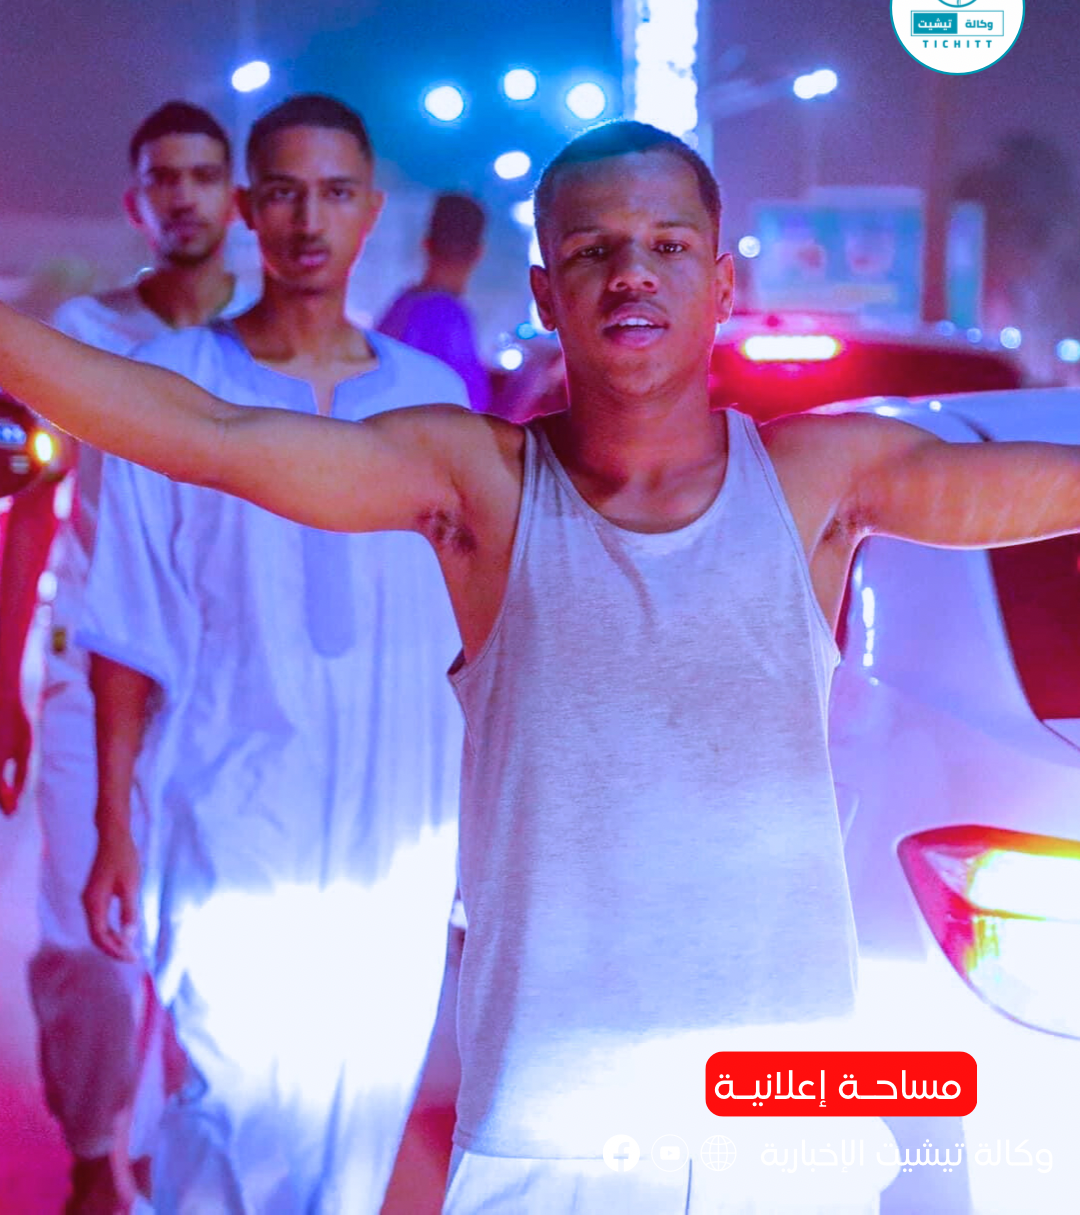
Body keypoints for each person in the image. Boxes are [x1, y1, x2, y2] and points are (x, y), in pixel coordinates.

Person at [3, 120, 1080, 1212]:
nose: (632, 274)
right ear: (546, 290)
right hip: (553, 1133)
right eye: (592, 249)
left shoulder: (818, 481)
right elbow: (207, 433)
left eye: (667, 246)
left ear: (720, 283)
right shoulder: (481, 484)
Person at [78, 94, 466, 1214]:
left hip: (397, 820)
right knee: (230, 1099)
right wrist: (114, 827)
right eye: (285, 193)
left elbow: (472, 633)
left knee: (363, 1101)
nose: (309, 220)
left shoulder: (430, 401)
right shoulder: (174, 388)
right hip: (226, 799)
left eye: (335, 193)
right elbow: (125, 625)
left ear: (370, 212)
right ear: (249, 209)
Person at [0, 100, 248, 1214]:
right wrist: (5, 688)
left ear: (233, 198)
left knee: (217, 923)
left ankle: (191, 1143)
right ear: (135, 202)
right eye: (164, 178)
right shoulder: (85, 333)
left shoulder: (268, 339)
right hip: (85, 669)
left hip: (228, 680)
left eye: (202, 175)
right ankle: (96, 1152)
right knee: (85, 940)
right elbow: (34, 510)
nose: (183, 195)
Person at [377, 191, 491, 411]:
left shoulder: (401, 305)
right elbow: (470, 418)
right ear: (479, 253)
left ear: (426, 244)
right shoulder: (448, 317)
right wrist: (535, 375)